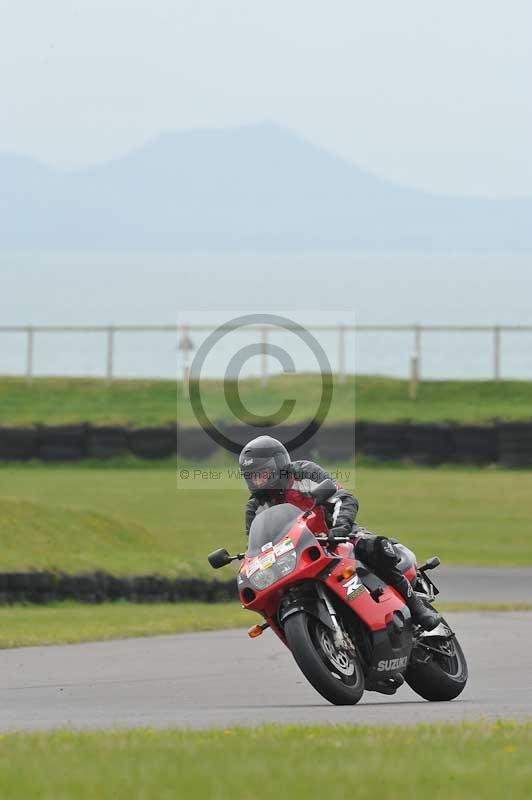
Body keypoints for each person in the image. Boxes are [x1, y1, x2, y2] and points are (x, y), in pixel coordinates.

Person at [239, 435, 441, 631]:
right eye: (252, 476)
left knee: (373, 548)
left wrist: (340, 527)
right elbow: (258, 543)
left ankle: (417, 609)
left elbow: (344, 498)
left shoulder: (304, 473)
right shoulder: (255, 507)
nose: (258, 481)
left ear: (279, 465)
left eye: (262, 474)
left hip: (334, 536)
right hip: (298, 555)